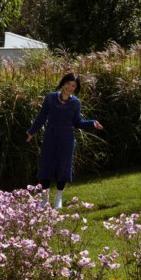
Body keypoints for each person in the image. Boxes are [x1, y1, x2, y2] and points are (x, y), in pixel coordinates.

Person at [26, 72, 103, 209]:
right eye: (68, 83)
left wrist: (92, 123)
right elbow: (41, 117)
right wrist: (31, 132)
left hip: (67, 139)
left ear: (75, 88)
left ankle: (58, 198)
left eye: (73, 86)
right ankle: (44, 199)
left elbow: (77, 123)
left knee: (63, 168)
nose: (69, 87)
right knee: (46, 167)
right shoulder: (50, 98)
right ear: (63, 83)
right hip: (50, 137)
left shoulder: (75, 103)